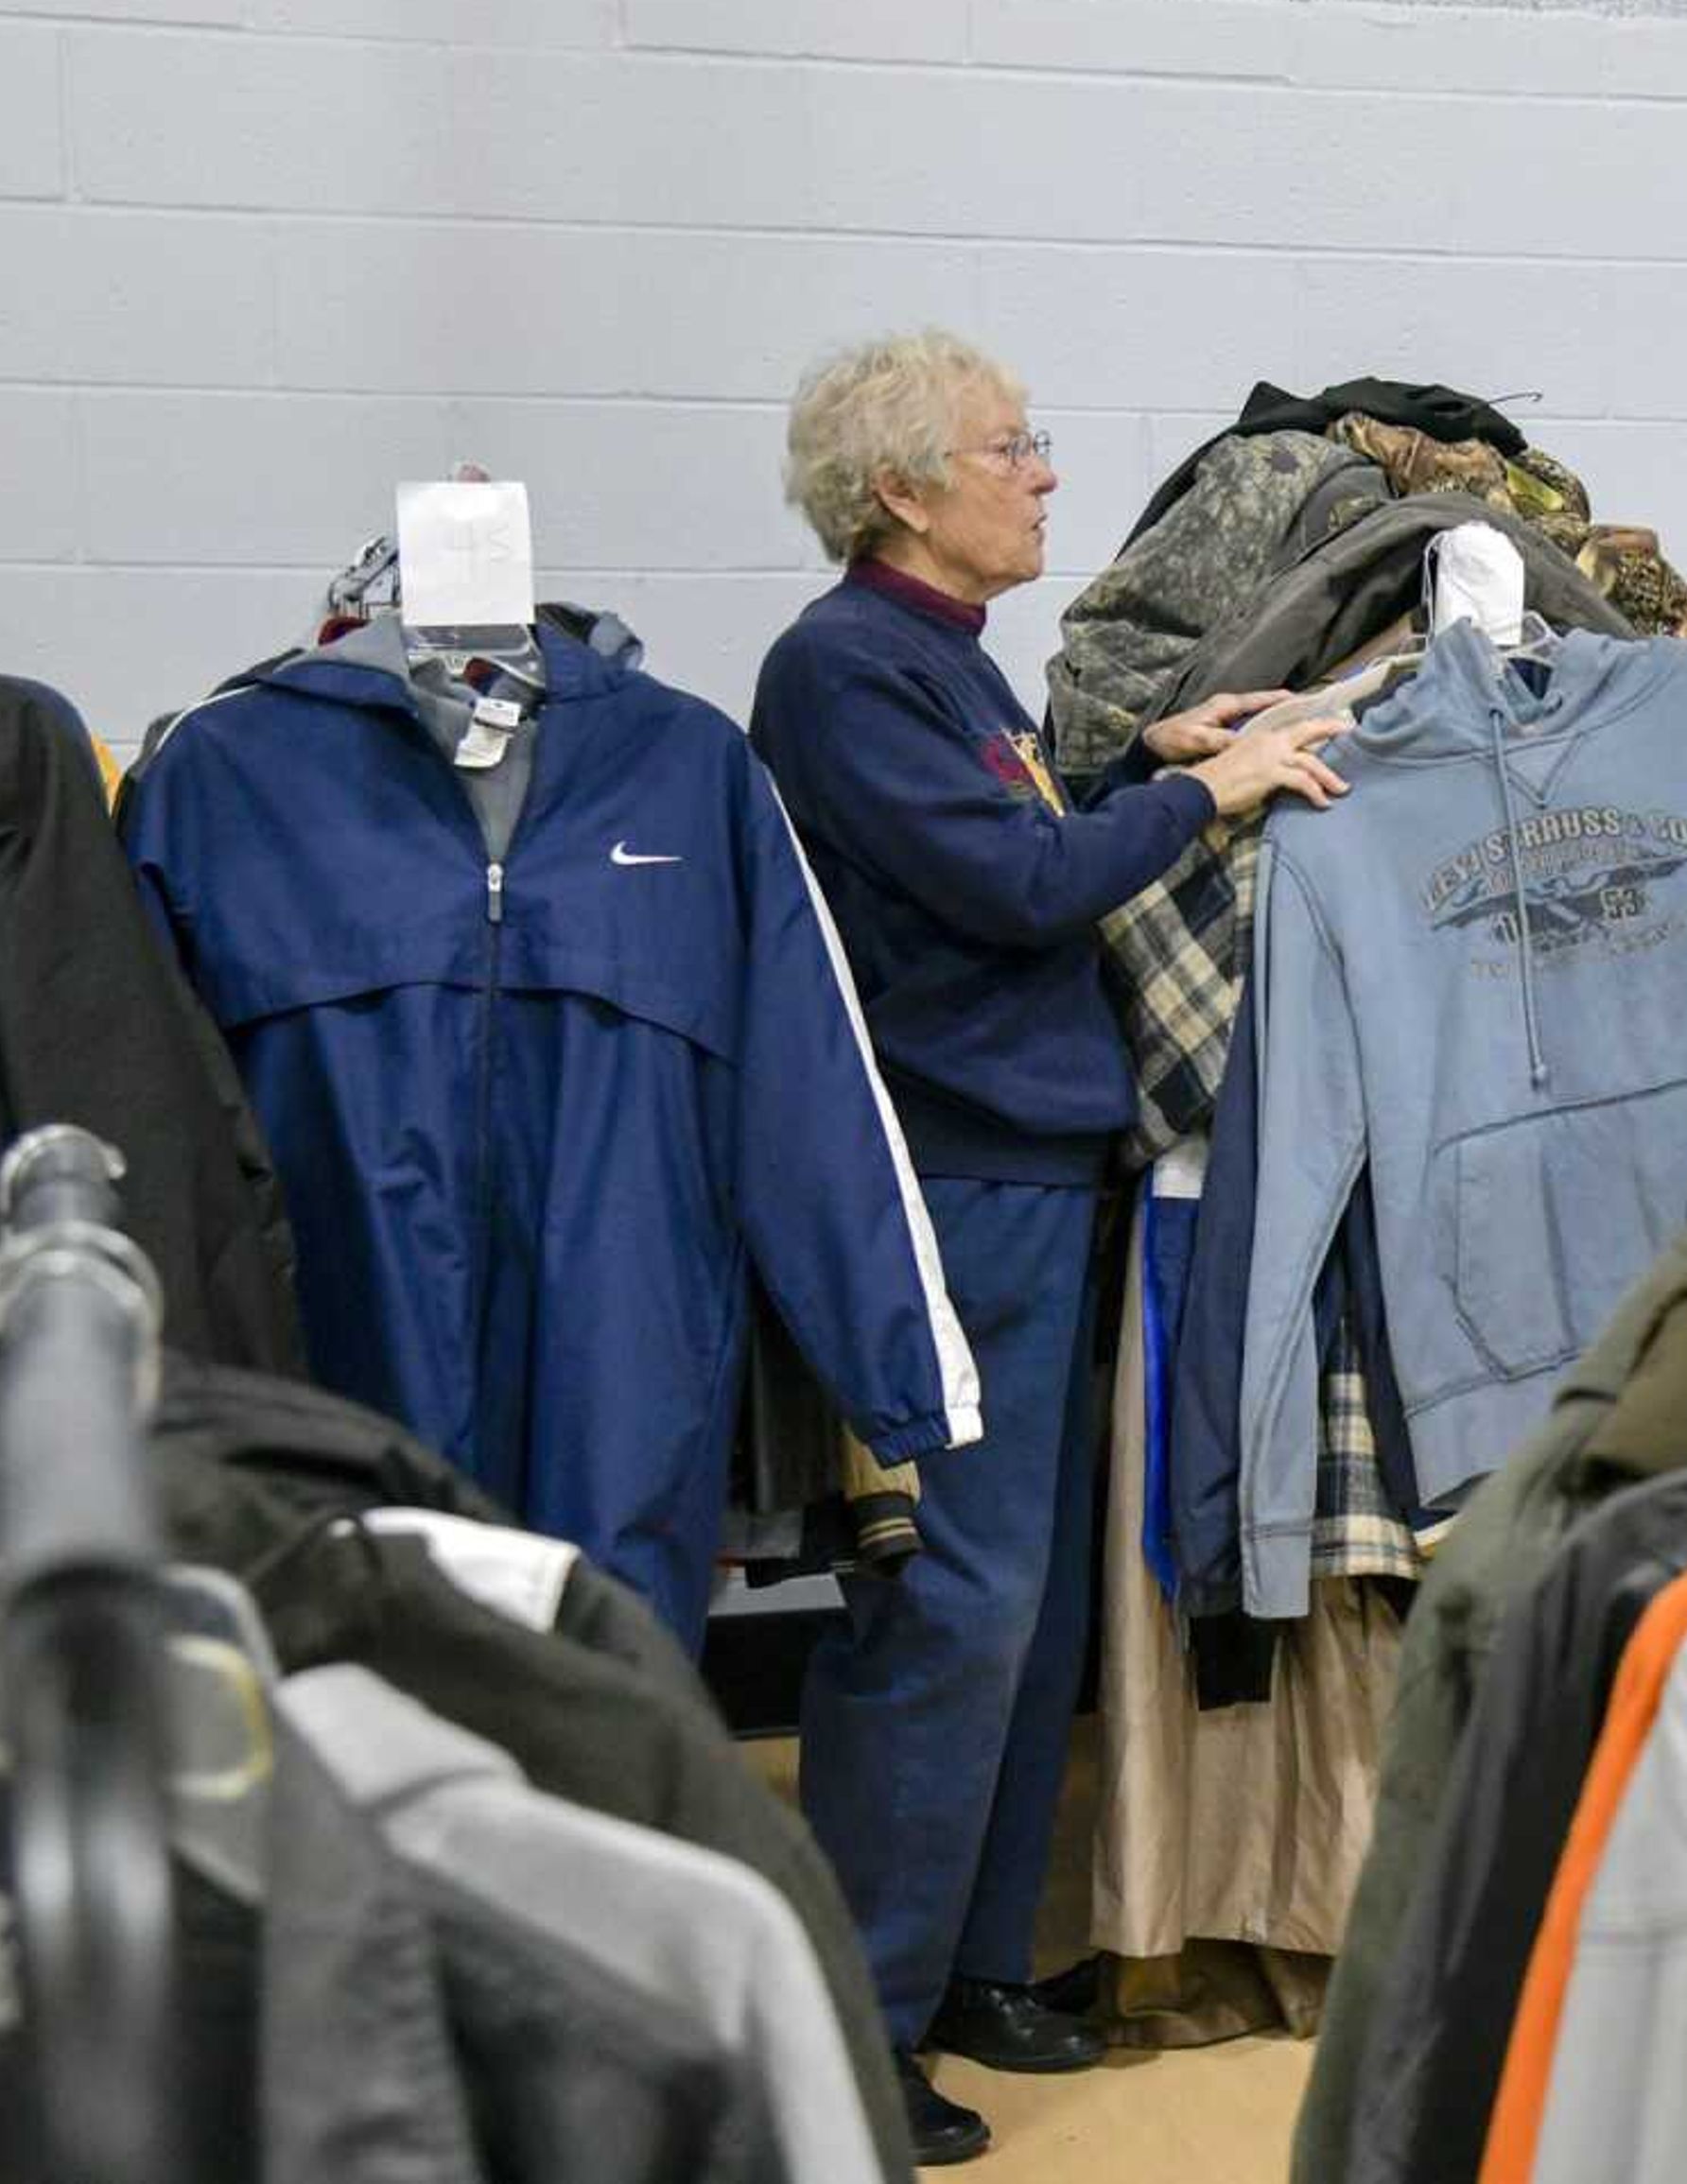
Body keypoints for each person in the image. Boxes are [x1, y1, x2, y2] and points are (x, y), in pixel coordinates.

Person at [750, 329, 1347, 2165]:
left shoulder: (944, 667)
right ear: (904, 492)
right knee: (948, 1608)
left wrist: (1128, 763)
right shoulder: (846, 668)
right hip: (954, 1190)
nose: (1048, 475)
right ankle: (855, 2018)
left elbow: (1009, 846)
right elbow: (1008, 893)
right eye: (1013, 448)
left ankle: (980, 1964)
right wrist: (1201, 798)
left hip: (1035, 1178)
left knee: (1032, 1616)